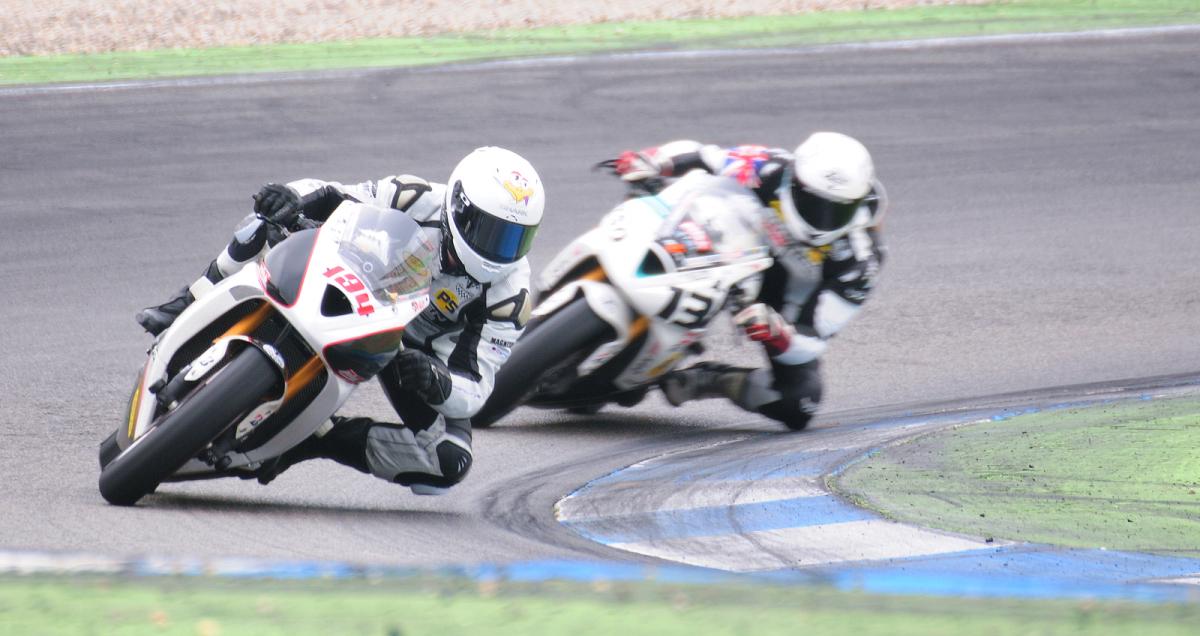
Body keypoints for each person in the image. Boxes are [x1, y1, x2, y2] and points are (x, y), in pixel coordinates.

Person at [136, 147, 544, 493]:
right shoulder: (414, 196)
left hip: (413, 356)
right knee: (264, 221)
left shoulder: (511, 296)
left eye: (515, 238)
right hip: (362, 284)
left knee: (447, 460)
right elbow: (337, 194)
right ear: (459, 208)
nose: (500, 249)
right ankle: (189, 300)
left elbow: (477, 385)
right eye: (491, 231)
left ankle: (315, 438)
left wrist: (436, 380)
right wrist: (291, 198)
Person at [612, 132, 886, 431]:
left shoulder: (862, 261)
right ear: (794, 180)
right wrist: (654, 161)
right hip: (723, 244)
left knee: (800, 404)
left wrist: (780, 335)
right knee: (667, 181)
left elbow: (817, 335)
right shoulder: (771, 166)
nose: (823, 217)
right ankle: (622, 239)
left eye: (838, 210)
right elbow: (705, 156)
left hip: (778, 308)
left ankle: (709, 380)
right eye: (812, 201)